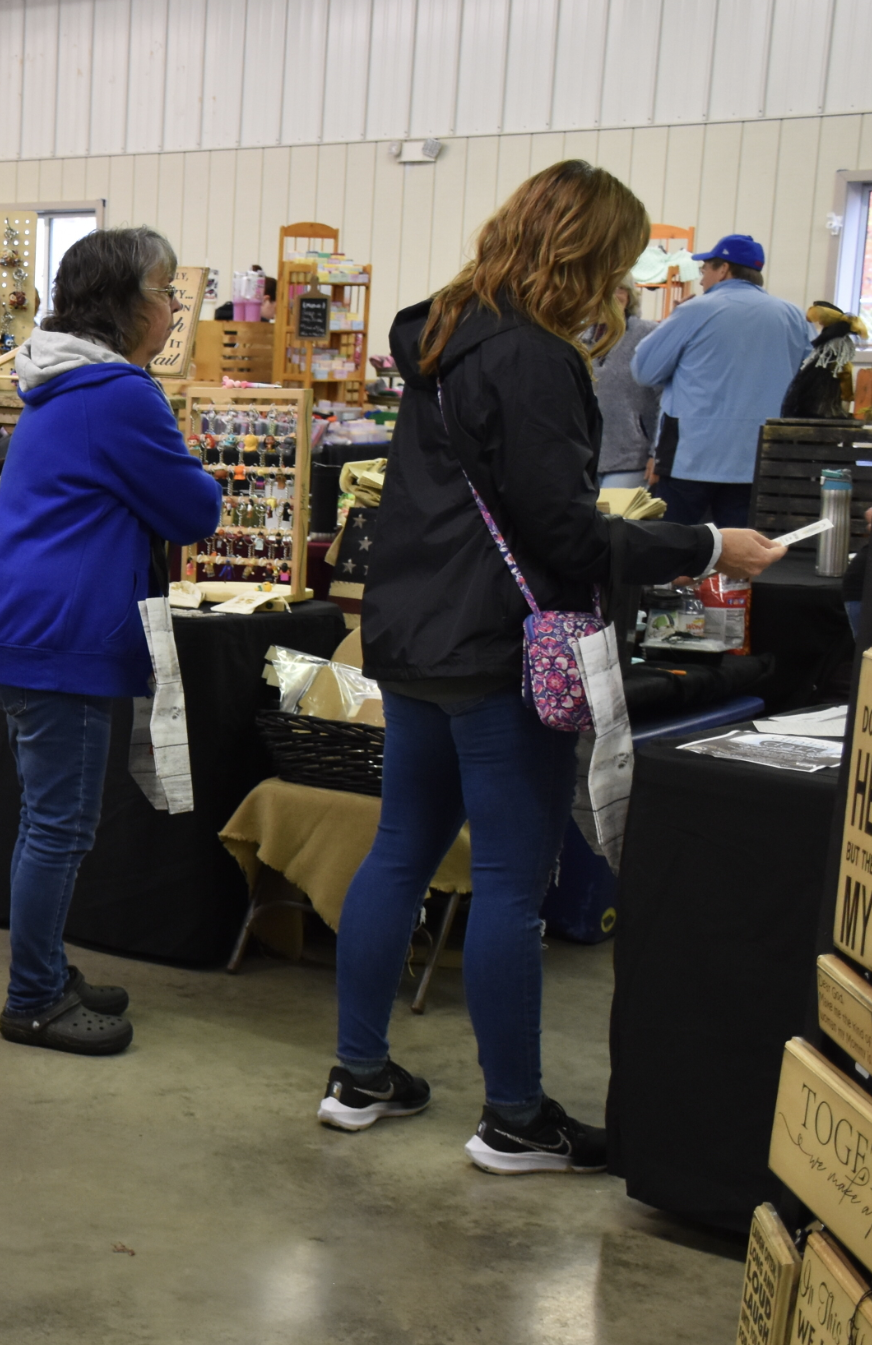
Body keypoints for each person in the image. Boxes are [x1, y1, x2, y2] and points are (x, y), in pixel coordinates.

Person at [325, 162, 784, 1172]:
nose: (621, 286)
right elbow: (566, 536)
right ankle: (514, 1115)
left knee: (398, 849)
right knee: (505, 881)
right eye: (617, 264)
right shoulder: (530, 359)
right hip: (497, 648)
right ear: (583, 255)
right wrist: (709, 546)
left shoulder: (435, 332)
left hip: (411, 635)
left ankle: (357, 1072)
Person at [0, 229, 222, 1056]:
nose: (175, 304)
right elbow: (194, 511)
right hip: (57, 639)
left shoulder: (59, 382)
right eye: (165, 288)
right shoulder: (119, 394)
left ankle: (44, 968)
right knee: (59, 826)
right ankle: (32, 996)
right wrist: (202, 474)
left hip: (14, 623)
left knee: (46, 818)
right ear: (122, 302)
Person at [630, 234, 813, 526]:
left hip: (691, 457)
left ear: (724, 268)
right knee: (737, 555)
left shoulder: (696, 310)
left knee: (673, 552)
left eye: (704, 271)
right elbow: (806, 375)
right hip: (755, 459)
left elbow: (644, 370)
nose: (702, 280)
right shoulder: (792, 316)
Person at [594, 279, 660, 488]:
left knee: (615, 519)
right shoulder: (578, 336)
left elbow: (663, 397)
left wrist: (656, 454)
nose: (612, 295)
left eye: (619, 289)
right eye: (604, 289)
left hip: (632, 458)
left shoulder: (649, 334)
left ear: (630, 296)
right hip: (585, 459)